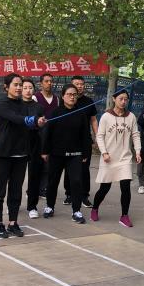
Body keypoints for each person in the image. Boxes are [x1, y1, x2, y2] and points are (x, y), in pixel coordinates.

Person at [0, 73, 46, 239]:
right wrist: (32, 120)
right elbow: (16, 119)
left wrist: (39, 122)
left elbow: (30, 124)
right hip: (3, 155)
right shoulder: (2, 104)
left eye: (21, 85)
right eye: (16, 84)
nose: (19, 87)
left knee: (16, 192)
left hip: (21, 155)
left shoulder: (25, 105)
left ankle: (13, 223)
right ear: (6, 87)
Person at [41, 84, 92, 224]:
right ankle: (49, 207)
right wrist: (45, 151)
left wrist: (86, 153)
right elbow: (48, 133)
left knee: (76, 182)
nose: (72, 97)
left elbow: (85, 135)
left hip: (75, 154)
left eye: (74, 94)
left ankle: (76, 211)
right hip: (56, 154)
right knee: (53, 181)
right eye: (69, 94)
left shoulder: (81, 114)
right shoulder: (55, 112)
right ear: (63, 96)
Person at [90, 87, 141, 227]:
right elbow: (100, 136)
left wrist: (137, 151)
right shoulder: (106, 116)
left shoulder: (131, 116)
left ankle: (124, 216)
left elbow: (135, 135)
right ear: (114, 99)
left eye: (126, 99)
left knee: (126, 187)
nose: (123, 102)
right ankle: (95, 208)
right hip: (109, 158)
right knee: (104, 188)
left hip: (125, 158)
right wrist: (104, 152)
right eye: (121, 99)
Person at [26, 72, 60, 218]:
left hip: (52, 138)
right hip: (37, 138)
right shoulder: (35, 99)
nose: (49, 83)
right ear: (41, 83)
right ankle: (31, 196)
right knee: (34, 170)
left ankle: (42, 190)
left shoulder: (57, 99)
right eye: (46, 81)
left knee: (48, 168)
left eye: (51, 81)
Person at [63, 75, 98, 207]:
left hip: (85, 141)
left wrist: (97, 136)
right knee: (68, 168)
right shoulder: (66, 100)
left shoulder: (89, 101)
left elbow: (93, 120)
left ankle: (84, 195)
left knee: (84, 168)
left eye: (81, 84)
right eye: (76, 84)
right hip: (68, 140)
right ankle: (69, 194)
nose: (79, 86)